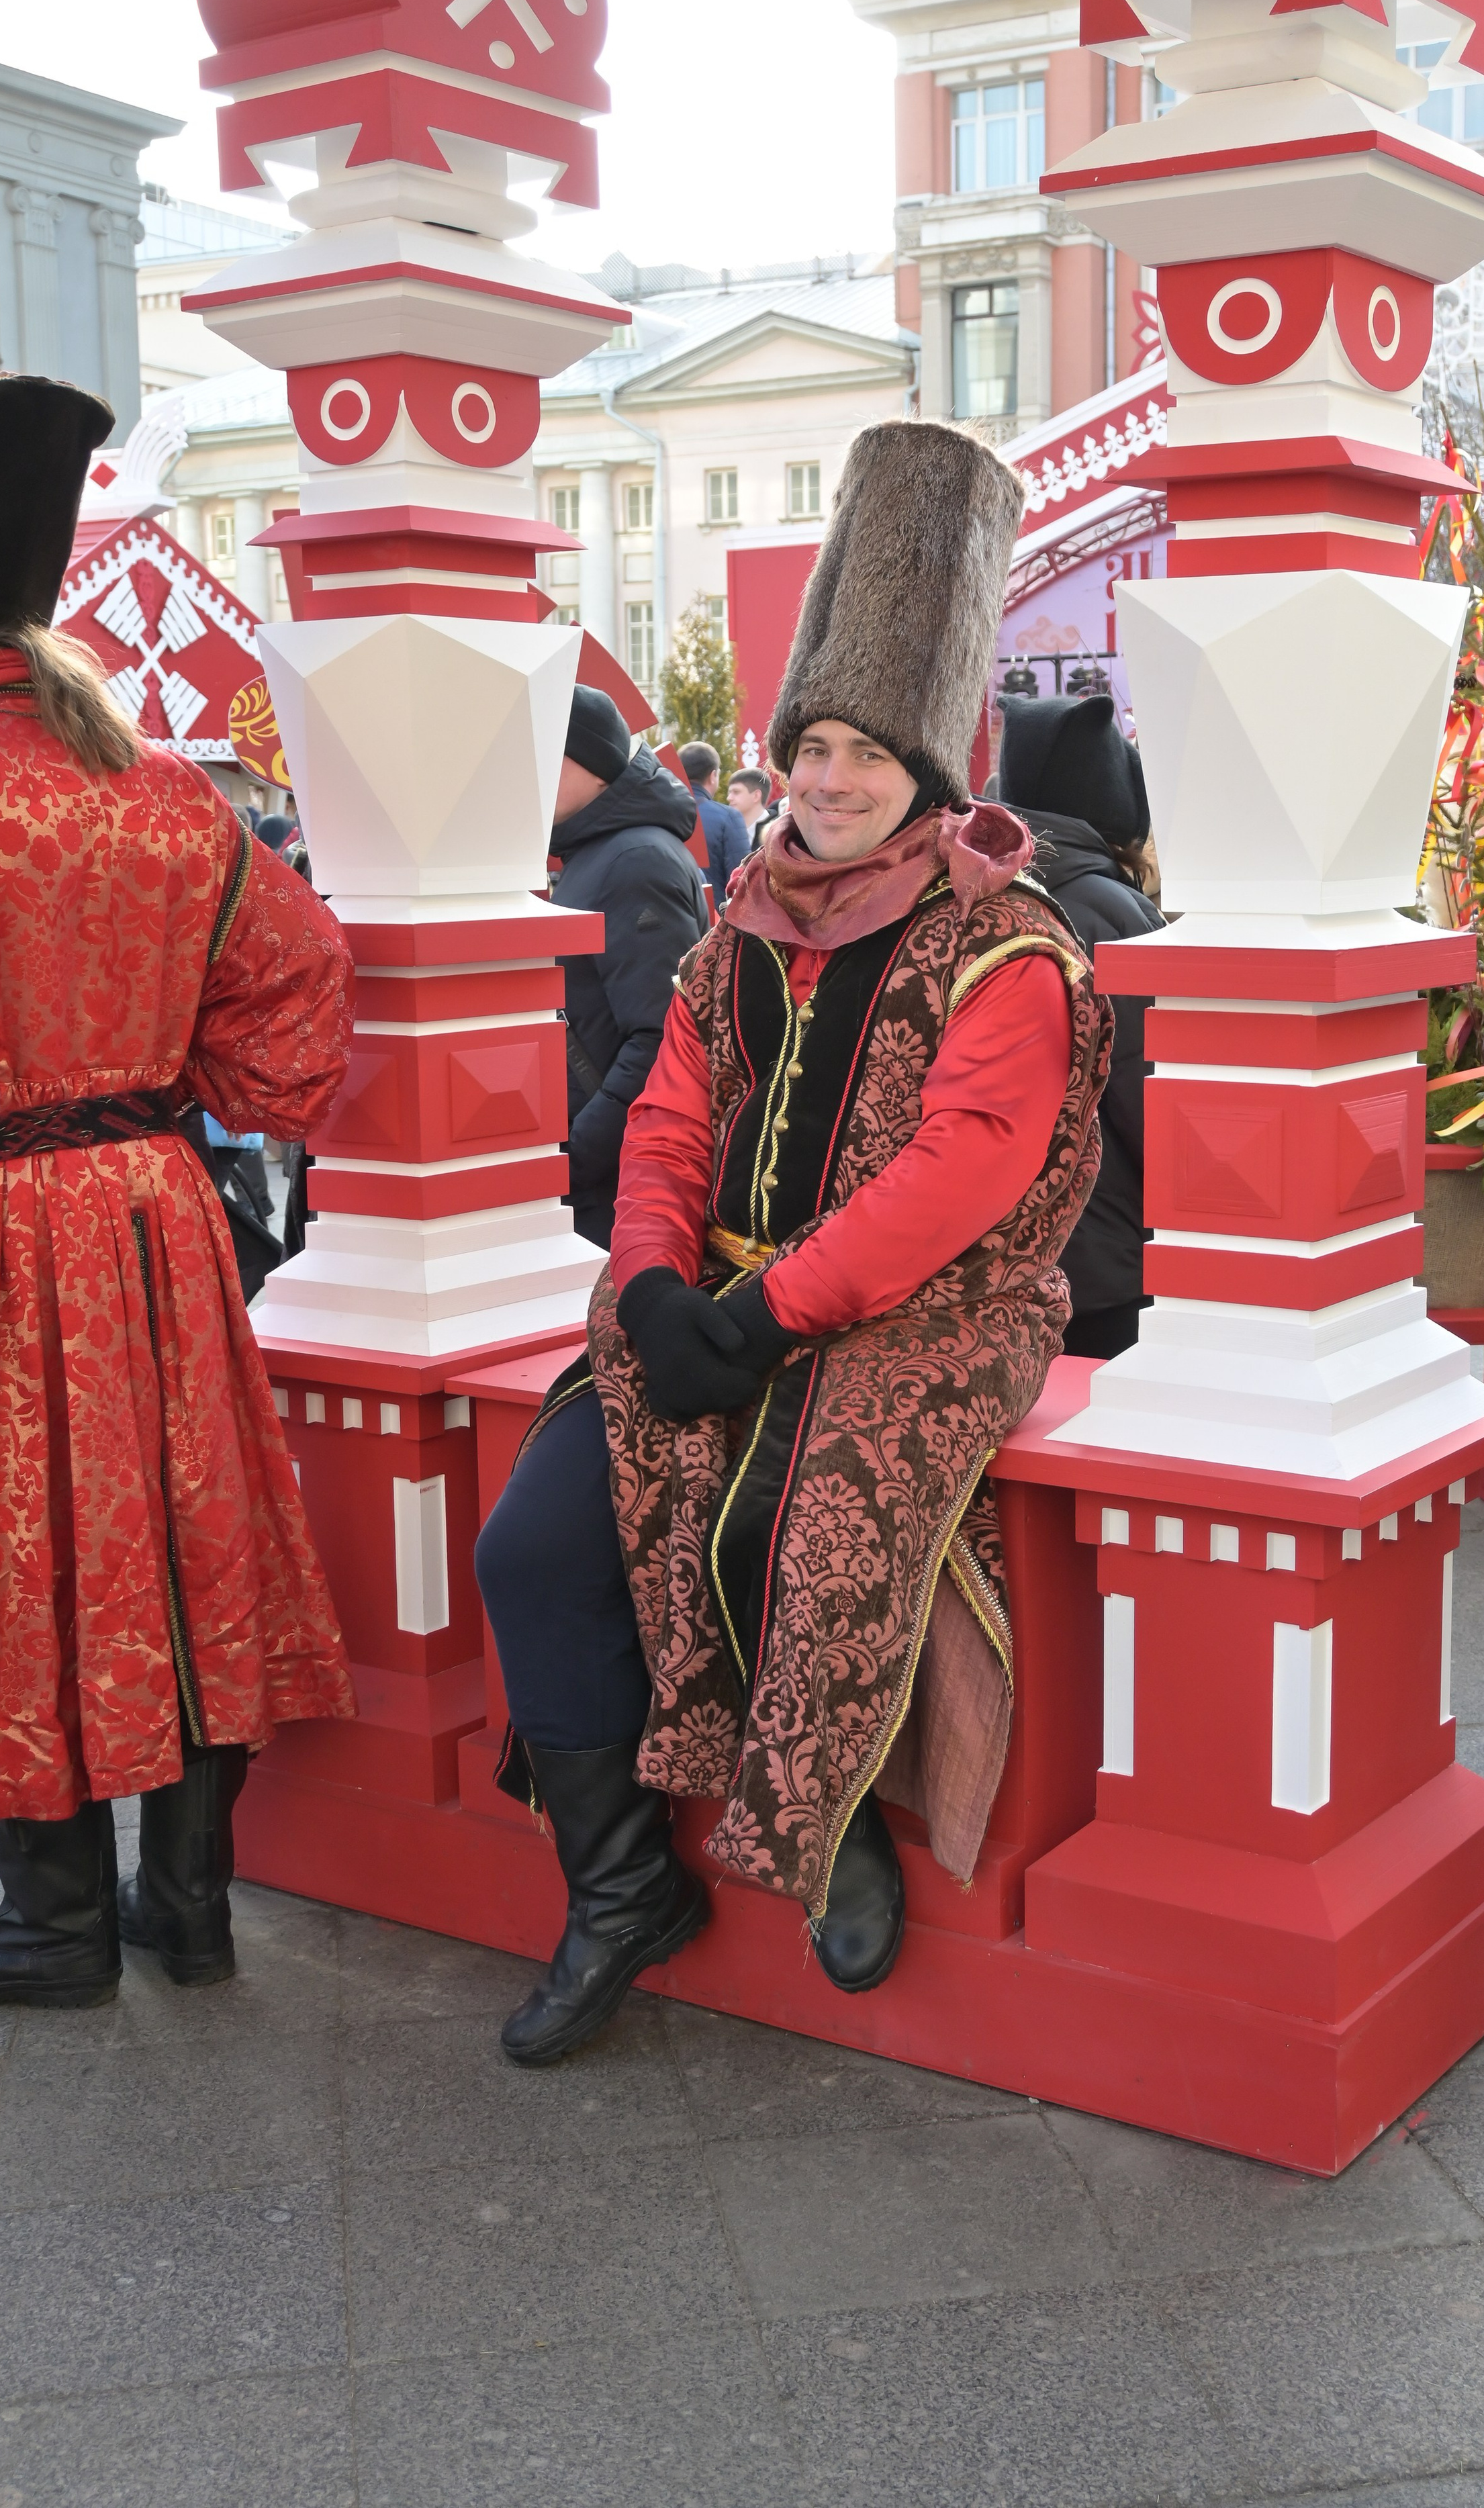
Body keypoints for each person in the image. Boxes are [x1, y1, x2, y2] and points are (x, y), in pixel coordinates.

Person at [475, 418, 1113, 2067]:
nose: (824, 779)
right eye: (807, 745)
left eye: (863, 753)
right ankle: (618, 1884)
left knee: (808, 1519)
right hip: (714, 1288)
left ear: (927, 771)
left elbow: (963, 1173)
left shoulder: (1008, 942)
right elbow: (670, 1121)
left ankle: (835, 1822)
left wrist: (759, 1323)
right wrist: (652, 1281)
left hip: (930, 1305)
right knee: (537, 1540)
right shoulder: (737, 914)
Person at [0, 373, 357, 2009]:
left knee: (30, 1557)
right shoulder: (158, 790)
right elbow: (303, 989)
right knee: (184, 1530)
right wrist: (175, 1104)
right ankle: (191, 1905)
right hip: (151, 1214)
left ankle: (55, 1924)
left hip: (6, 1234)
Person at [999, 692, 1163, 1359]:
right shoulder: (1111, 913)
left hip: (1004, 1252)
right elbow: (1150, 1092)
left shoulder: (978, 893)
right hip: (1108, 1261)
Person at [551, 686, 710, 1250]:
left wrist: (575, 1157)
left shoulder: (633, 858)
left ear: (593, 765)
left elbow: (662, 1035)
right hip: (598, 1167)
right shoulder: (595, 852)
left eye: (547, 752)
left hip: (607, 1180)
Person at [677, 740, 749, 909]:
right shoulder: (728, 817)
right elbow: (742, 881)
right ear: (713, 775)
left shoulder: (657, 813)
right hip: (714, 922)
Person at [725, 765, 772, 848]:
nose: (729, 798)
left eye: (736, 792)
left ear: (756, 796)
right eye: (729, 793)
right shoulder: (726, 831)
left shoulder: (778, 833)